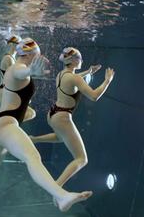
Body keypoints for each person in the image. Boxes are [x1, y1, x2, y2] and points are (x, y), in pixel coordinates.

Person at [0, 39, 92, 212]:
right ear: (28, 54)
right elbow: (21, 72)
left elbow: (23, 75)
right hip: (6, 123)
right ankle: (62, 196)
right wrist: (31, 70)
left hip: (0, 124)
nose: (39, 57)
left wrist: (32, 71)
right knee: (33, 157)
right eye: (36, 55)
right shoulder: (17, 68)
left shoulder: (19, 68)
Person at [30, 47, 114, 188]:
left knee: (62, 137)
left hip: (53, 114)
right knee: (82, 159)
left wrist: (88, 71)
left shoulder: (62, 74)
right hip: (62, 117)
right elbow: (94, 96)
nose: (81, 60)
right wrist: (107, 80)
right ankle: (56, 187)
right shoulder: (74, 78)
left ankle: (34, 139)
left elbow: (73, 80)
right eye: (80, 58)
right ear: (74, 60)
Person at [0, 33, 35, 120]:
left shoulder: (14, 59)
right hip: (3, 93)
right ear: (12, 44)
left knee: (30, 113)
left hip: (6, 93)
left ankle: (2, 120)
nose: (20, 47)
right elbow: (15, 79)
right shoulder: (8, 58)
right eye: (18, 44)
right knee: (29, 112)